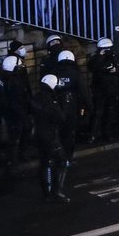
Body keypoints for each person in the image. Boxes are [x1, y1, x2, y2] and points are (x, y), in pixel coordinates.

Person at [31, 75, 70, 203]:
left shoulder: (36, 98)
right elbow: (61, 118)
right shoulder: (51, 102)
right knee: (62, 161)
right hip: (50, 136)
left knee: (44, 162)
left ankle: (46, 192)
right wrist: (64, 104)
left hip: (38, 134)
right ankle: (56, 191)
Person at [54, 50, 90, 161]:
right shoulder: (75, 73)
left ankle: (59, 156)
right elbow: (84, 91)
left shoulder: (54, 72)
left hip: (57, 105)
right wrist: (89, 105)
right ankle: (67, 158)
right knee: (70, 131)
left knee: (59, 131)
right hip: (72, 105)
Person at [87, 37, 119, 142]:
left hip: (113, 89)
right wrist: (100, 57)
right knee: (98, 112)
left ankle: (107, 134)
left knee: (111, 112)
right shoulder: (96, 59)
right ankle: (93, 134)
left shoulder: (116, 58)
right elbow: (92, 67)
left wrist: (116, 70)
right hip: (100, 90)